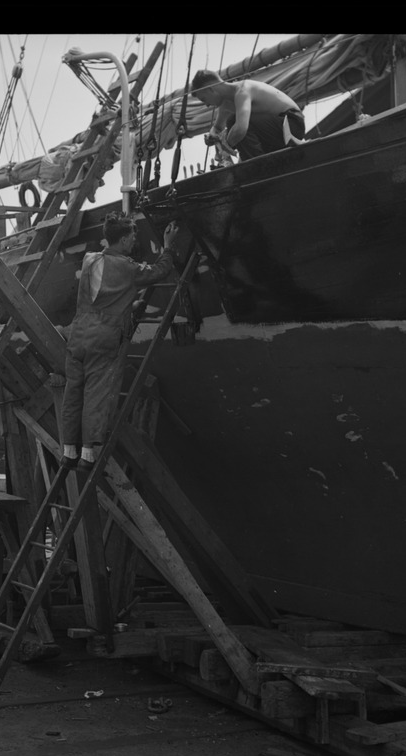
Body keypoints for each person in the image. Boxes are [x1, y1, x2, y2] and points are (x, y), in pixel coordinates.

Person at [61, 214, 181, 471]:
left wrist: (127, 305)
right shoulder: (128, 268)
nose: (134, 242)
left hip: (78, 335)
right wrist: (168, 247)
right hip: (103, 340)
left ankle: (68, 452)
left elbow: (102, 296)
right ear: (124, 239)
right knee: (96, 394)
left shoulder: (89, 259)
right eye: (133, 238)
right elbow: (159, 271)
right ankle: (87, 455)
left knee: (73, 393)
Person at [190, 69, 305, 162]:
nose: (207, 105)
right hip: (276, 131)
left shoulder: (242, 91)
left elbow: (241, 129)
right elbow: (217, 128)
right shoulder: (225, 105)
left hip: (292, 124)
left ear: (211, 89)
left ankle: (255, 166)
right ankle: (255, 163)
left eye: (204, 99)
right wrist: (212, 136)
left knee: (235, 122)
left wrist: (225, 147)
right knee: (232, 122)